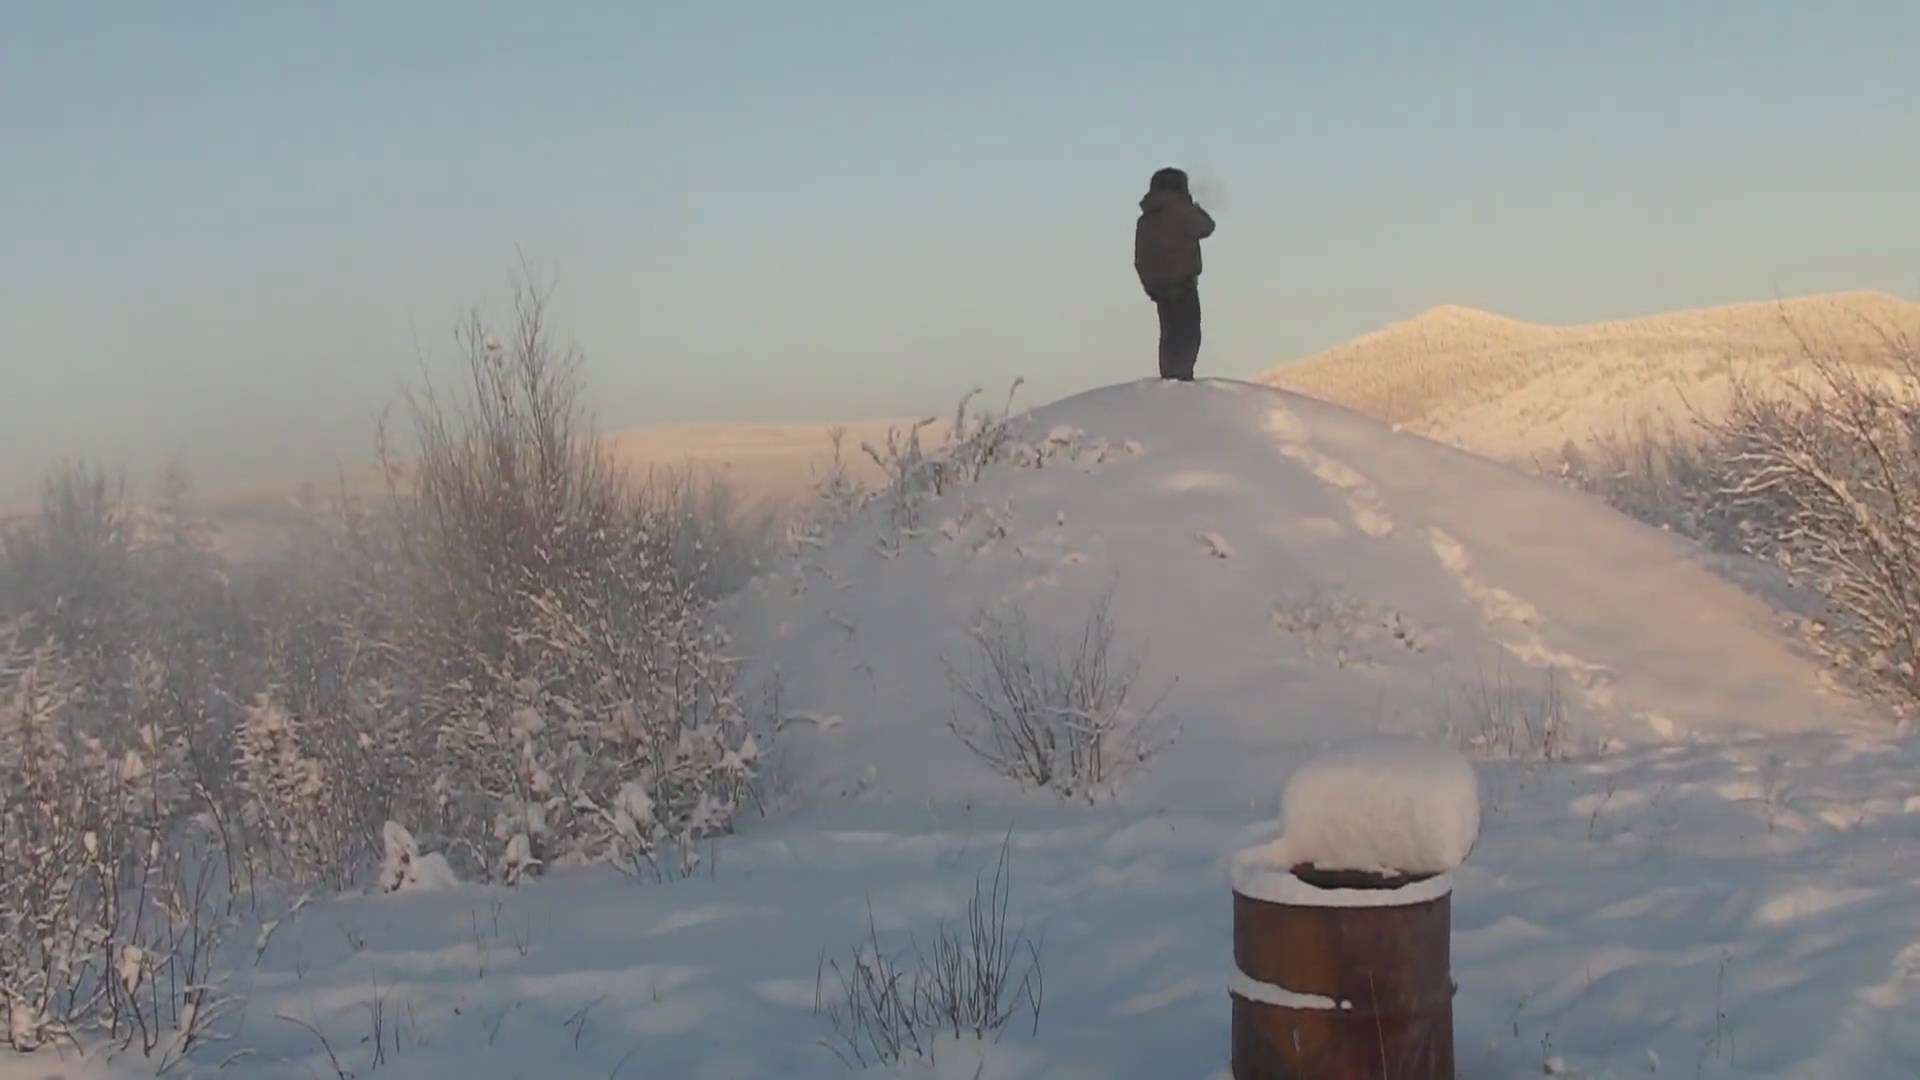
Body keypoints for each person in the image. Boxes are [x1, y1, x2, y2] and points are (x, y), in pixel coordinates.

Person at [1133, 166, 1216, 381]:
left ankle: (1170, 380)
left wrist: (1151, 287)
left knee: (1169, 336)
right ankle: (1182, 382)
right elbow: (1206, 226)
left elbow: (1140, 260)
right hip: (1184, 283)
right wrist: (1192, 206)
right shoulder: (1180, 211)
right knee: (1188, 335)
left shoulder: (1145, 221)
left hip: (1160, 288)